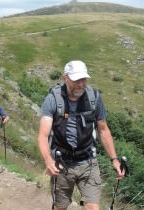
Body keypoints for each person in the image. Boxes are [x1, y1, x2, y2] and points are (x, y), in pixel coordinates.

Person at [37, 60, 125, 210]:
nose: (80, 84)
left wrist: (114, 160)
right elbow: (43, 135)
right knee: (60, 207)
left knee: (93, 207)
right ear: (65, 78)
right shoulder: (53, 99)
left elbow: (103, 130)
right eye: (76, 80)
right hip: (62, 164)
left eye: (83, 79)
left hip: (88, 162)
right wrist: (48, 160)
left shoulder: (94, 98)